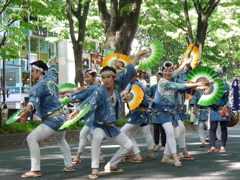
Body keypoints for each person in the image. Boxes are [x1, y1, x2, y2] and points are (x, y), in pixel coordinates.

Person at [68, 50, 147, 179]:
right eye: (103, 77)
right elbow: (90, 102)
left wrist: (137, 56)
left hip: (111, 127)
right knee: (97, 138)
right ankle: (94, 170)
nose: (105, 80)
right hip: (99, 125)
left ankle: (111, 165)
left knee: (128, 146)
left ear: (114, 78)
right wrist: (76, 112)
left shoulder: (118, 85)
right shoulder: (99, 91)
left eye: (108, 77)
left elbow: (128, 70)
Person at [21, 59, 74, 178]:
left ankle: (35, 170)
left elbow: (34, 98)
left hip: (53, 119)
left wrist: (29, 106)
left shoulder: (39, 85)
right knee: (61, 140)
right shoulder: (51, 79)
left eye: (34, 71)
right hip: (61, 117)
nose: (32, 73)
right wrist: (53, 64)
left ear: (40, 72)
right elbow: (53, 72)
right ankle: (69, 165)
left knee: (31, 138)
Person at [152, 61, 209, 167]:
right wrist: (196, 84)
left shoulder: (172, 77)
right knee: (170, 133)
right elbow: (179, 85)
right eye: (165, 71)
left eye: (170, 71)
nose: (168, 73)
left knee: (176, 132)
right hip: (162, 112)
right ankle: (174, 157)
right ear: (162, 72)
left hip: (173, 112)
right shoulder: (163, 82)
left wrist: (184, 63)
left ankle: (166, 156)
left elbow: (180, 80)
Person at [59, 69, 102, 164]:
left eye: (88, 77)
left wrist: (68, 95)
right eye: (85, 77)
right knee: (91, 137)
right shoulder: (95, 86)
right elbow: (80, 89)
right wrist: (67, 92)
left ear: (94, 77)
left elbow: (81, 93)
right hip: (95, 115)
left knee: (83, 134)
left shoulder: (92, 88)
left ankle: (78, 156)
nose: (86, 79)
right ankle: (100, 155)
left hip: (94, 115)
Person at [120, 73, 153, 163]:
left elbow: (133, 97)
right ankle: (137, 154)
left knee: (122, 133)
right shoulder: (137, 84)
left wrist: (126, 98)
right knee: (128, 134)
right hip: (140, 113)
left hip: (138, 113)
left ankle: (123, 154)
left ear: (135, 76)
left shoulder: (135, 85)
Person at [208, 71, 230, 153]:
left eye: (220, 76)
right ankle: (212, 146)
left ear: (222, 77)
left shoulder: (226, 85)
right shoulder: (210, 86)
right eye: (216, 76)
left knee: (223, 128)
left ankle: (222, 146)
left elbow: (224, 93)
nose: (218, 77)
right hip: (213, 109)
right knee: (212, 128)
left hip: (222, 109)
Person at [148, 71, 166, 151]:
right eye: (157, 77)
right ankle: (156, 145)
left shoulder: (166, 87)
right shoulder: (153, 87)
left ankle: (164, 145)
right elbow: (147, 96)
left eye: (160, 76)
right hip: (155, 111)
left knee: (163, 129)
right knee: (156, 129)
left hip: (163, 111)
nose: (158, 78)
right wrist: (152, 100)